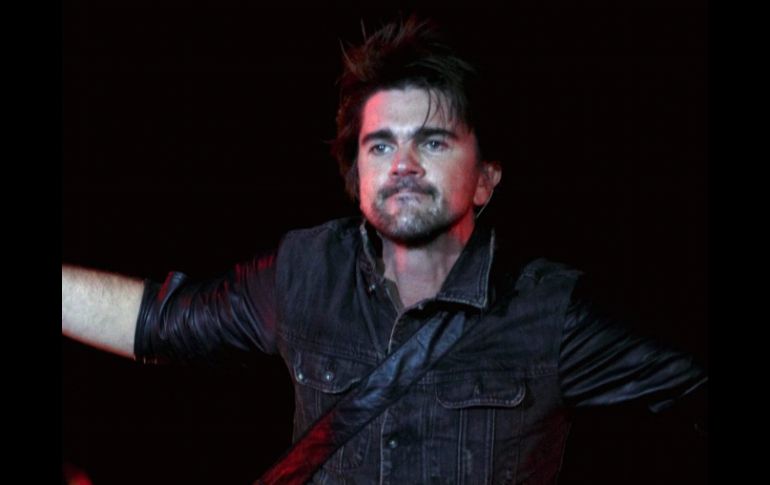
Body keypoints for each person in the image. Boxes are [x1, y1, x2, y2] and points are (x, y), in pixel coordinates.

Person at [62, 15, 707, 484]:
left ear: (486, 178)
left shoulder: (550, 310)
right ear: (358, 176)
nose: (402, 163)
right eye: (380, 145)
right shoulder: (305, 272)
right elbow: (161, 323)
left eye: (432, 142)